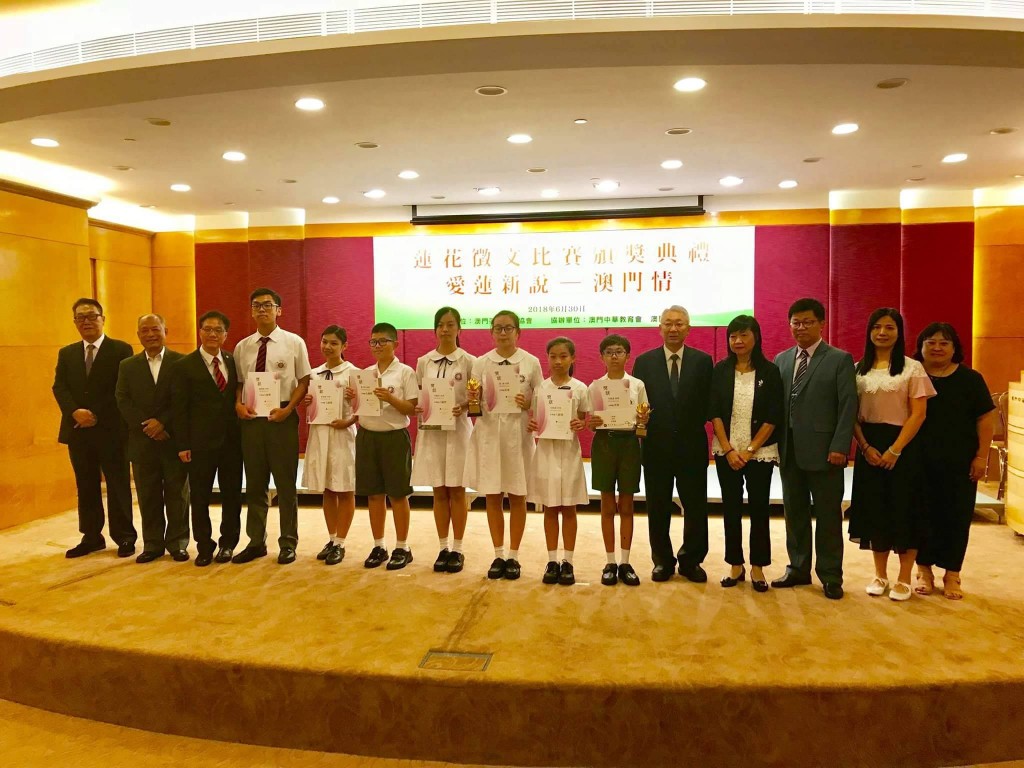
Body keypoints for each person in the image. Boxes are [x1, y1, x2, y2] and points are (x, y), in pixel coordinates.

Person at [772, 298, 857, 600]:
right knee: (794, 513)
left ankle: (831, 575)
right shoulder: (781, 359)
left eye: (808, 322)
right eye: (796, 322)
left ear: (822, 323)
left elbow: (848, 406)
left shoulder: (839, 359)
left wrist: (840, 446)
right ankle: (798, 568)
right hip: (789, 450)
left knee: (828, 516)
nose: (801, 327)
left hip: (826, 451)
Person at [849, 307, 935, 602]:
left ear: (899, 332)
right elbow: (851, 415)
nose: (882, 333)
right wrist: (865, 447)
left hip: (905, 446)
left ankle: (904, 577)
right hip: (869, 445)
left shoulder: (913, 368)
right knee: (875, 510)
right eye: (877, 327)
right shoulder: (858, 368)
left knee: (905, 510)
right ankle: (880, 575)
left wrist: (895, 449)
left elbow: (919, 413)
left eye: (889, 327)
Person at [912, 323, 994, 600]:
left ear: (954, 347)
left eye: (944, 343)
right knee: (920, 515)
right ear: (921, 346)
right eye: (931, 342)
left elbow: (985, 419)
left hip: (959, 462)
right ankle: (923, 570)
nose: (937, 347)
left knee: (956, 517)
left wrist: (981, 457)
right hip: (917, 460)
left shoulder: (970, 379)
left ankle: (952, 573)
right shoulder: (912, 375)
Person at [631, 305, 713, 583]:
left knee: (695, 506)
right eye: (668, 323)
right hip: (656, 446)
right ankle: (662, 560)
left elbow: (708, 401)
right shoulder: (644, 362)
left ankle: (691, 560)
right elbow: (638, 404)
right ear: (660, 328)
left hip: (692, 445)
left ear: (688, 329)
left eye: (679, 323)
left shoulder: (703, 361)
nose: (673, 328)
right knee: (657, 506)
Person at [232, 288, 312, 565]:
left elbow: (304, 380)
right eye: (257, 305)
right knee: (255, 483)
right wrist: (238, 404)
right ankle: (256, 542)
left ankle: (288, 542)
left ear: (279, 310)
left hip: (282, 417)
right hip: (251, 419)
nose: (262, 310)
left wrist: (289, 409)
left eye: (268, 305)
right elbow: (239, 383)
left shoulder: (294, 342)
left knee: (285, 484)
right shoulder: (243, 346)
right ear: (251, 311)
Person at [52, 298, 137, 558]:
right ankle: (91, 536)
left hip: (112, 430)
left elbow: (123, 388)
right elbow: (59, 387)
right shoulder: (67, 353)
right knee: (86, 485)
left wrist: (95, 415)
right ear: (75, 322)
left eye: (92, 316)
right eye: (81, 317)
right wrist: (74, 411)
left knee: (118, 484)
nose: (86, 321)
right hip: (78, 430)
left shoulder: (120, 349)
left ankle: (125, 536)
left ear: (103, 319)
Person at [463, 310, 543, 580]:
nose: (503, 333)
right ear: (491, 333)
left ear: (518, 332)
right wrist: (473, 397)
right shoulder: (482, 363)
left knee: (518, 495)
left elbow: (542, 400)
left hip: (518, 435)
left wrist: (528, 403)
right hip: (489, 434)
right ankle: (498, 554)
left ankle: (514, 556)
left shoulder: (531, 362)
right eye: (498, 328)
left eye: (508, 328)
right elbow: (474, 401)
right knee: (493, 496)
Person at [709, 315, 783, 592]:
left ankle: (758, 567)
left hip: (760, 451)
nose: (738, 341)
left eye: (743, 335)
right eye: (733, 336)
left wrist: (750, 450)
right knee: (730, 508)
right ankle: (735, 564)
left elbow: (773, 416)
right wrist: (728, 449)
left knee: (759, 508)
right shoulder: (720, 370)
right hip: (726, 450)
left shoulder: (770, 371)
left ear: (756, 337)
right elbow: (714, 412)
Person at [169, 310, 243, 567]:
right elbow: (178, 409)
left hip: (231, 443)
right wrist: (182, 445)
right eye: (208, 329)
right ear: (200, 332)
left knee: (232, 495)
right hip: (198, 444)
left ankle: (228, 543)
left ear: (225, 335)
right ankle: (204, 545)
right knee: (199, 498)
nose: (213, 334)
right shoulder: (183, 366)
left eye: (218, 330)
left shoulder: (233, 361)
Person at [115, 314, 189, 563]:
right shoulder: (127, 366)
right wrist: (148, 426)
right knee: (148, 496)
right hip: (142, 440)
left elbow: (183, 399)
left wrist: (163, 423)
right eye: (144, 330)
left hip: (173, 439)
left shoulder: (181, 362)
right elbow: (122, 399)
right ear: (138, 335)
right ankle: (153, 544)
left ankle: (178, 543)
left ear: (165, 331)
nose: (150, 334)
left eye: (155, 329)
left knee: (178, 495)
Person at [350, 322, 419, 570]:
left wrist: (390, 398)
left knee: (398, 494)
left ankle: (403, 547)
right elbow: (357, 409)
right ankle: (379, 545)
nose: (377, 346)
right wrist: (352, 399)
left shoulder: (405, 373)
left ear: (395, 344)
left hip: (394, 437)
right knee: (374, 494)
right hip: (367, 436)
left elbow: (412, 408)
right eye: (373, 342)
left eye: (382, 341)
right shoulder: (365, 374)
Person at [411, 307, 475, 574]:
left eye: (450, 324)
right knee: (438, 490)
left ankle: (458, 549)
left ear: (459, 328)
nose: (445, 329)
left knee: (457, 490)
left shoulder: (470, 361)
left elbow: (476, 401)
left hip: (458, 432)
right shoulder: (424, 361)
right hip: (432, 433)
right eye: (440, 324)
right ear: (435, 329)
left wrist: (464, 406)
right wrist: (419, 406)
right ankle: (443, 548)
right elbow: (418, 394)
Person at [527, 337, 590, 586]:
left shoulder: (580, 388)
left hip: (569, 452)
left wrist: (580, 424)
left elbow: (583, 418)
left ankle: (568, 561)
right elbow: (536, 419)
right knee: (550, 508)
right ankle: (552, 560)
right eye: (553, 356)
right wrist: (533, 425)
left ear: (573, 358)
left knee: (569, 508)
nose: (558, 361)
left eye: (563, 356)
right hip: (546, 453)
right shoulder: (540, 388)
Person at [588, 334, 647, 587]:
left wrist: (643, 421)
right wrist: (592, 423)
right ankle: (610, 562)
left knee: (627, 505)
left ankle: (625, 562)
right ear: (602, 357)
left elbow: (644, 418)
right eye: (609, 352)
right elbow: (591, 422)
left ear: (627, 356)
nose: (614, 356)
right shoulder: (595, 387)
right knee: (607, 506)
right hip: (604, 444)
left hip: (629, 444)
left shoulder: (637, 385)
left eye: (619, 351)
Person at [302, 325, 357, 567]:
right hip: (320, 434)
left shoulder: (353, 373)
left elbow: (364, 407)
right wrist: (309, 401)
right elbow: (311, 406)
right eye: (324, 342)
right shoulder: (314, 374)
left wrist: (350, 417)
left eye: (334, 343)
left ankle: (341, 543)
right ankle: (332, 538)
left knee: (344, 488)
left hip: (342, 434)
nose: (328, 347)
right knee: (327, 489)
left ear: (344, 346)